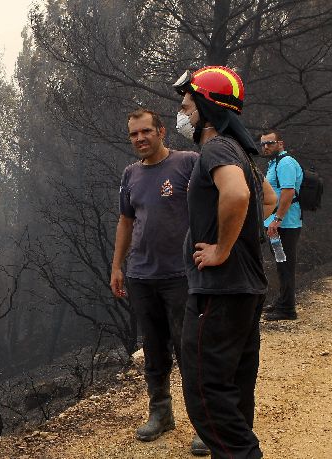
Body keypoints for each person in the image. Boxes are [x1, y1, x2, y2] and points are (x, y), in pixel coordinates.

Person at [173, 66, 276, 459]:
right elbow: (265, 198)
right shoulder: (243, 155)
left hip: (219, 291)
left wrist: (221, 247)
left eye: (187, 105)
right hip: (246, 291)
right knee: (233, 391)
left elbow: (236, 197)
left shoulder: (216, 148)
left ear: (205, 106)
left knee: (206, 394)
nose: (183, 114)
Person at [110, 108, 208, 455]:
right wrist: (117, 266)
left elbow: (211, 203)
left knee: (190, 351)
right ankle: (161, 414)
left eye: (146, 131)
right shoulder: (130, 174)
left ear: (162, 131)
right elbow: (126, 220)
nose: (140, 139)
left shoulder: (188, 162)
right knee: (153, 350)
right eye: (134, 134)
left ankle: (205, 425)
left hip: (181, 276)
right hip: (140, 276)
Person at [259, 130, 303, 320]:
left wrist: (277, 219)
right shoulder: (274, 163)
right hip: (276, 224)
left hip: (286, 224)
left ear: (280, 143)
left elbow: (288, 192)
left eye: (270, 143)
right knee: (281, 263)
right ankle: (283, 302)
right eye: (263, 144)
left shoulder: (285, 163)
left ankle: (287, 309)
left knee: (285, 265)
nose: (266, 147)